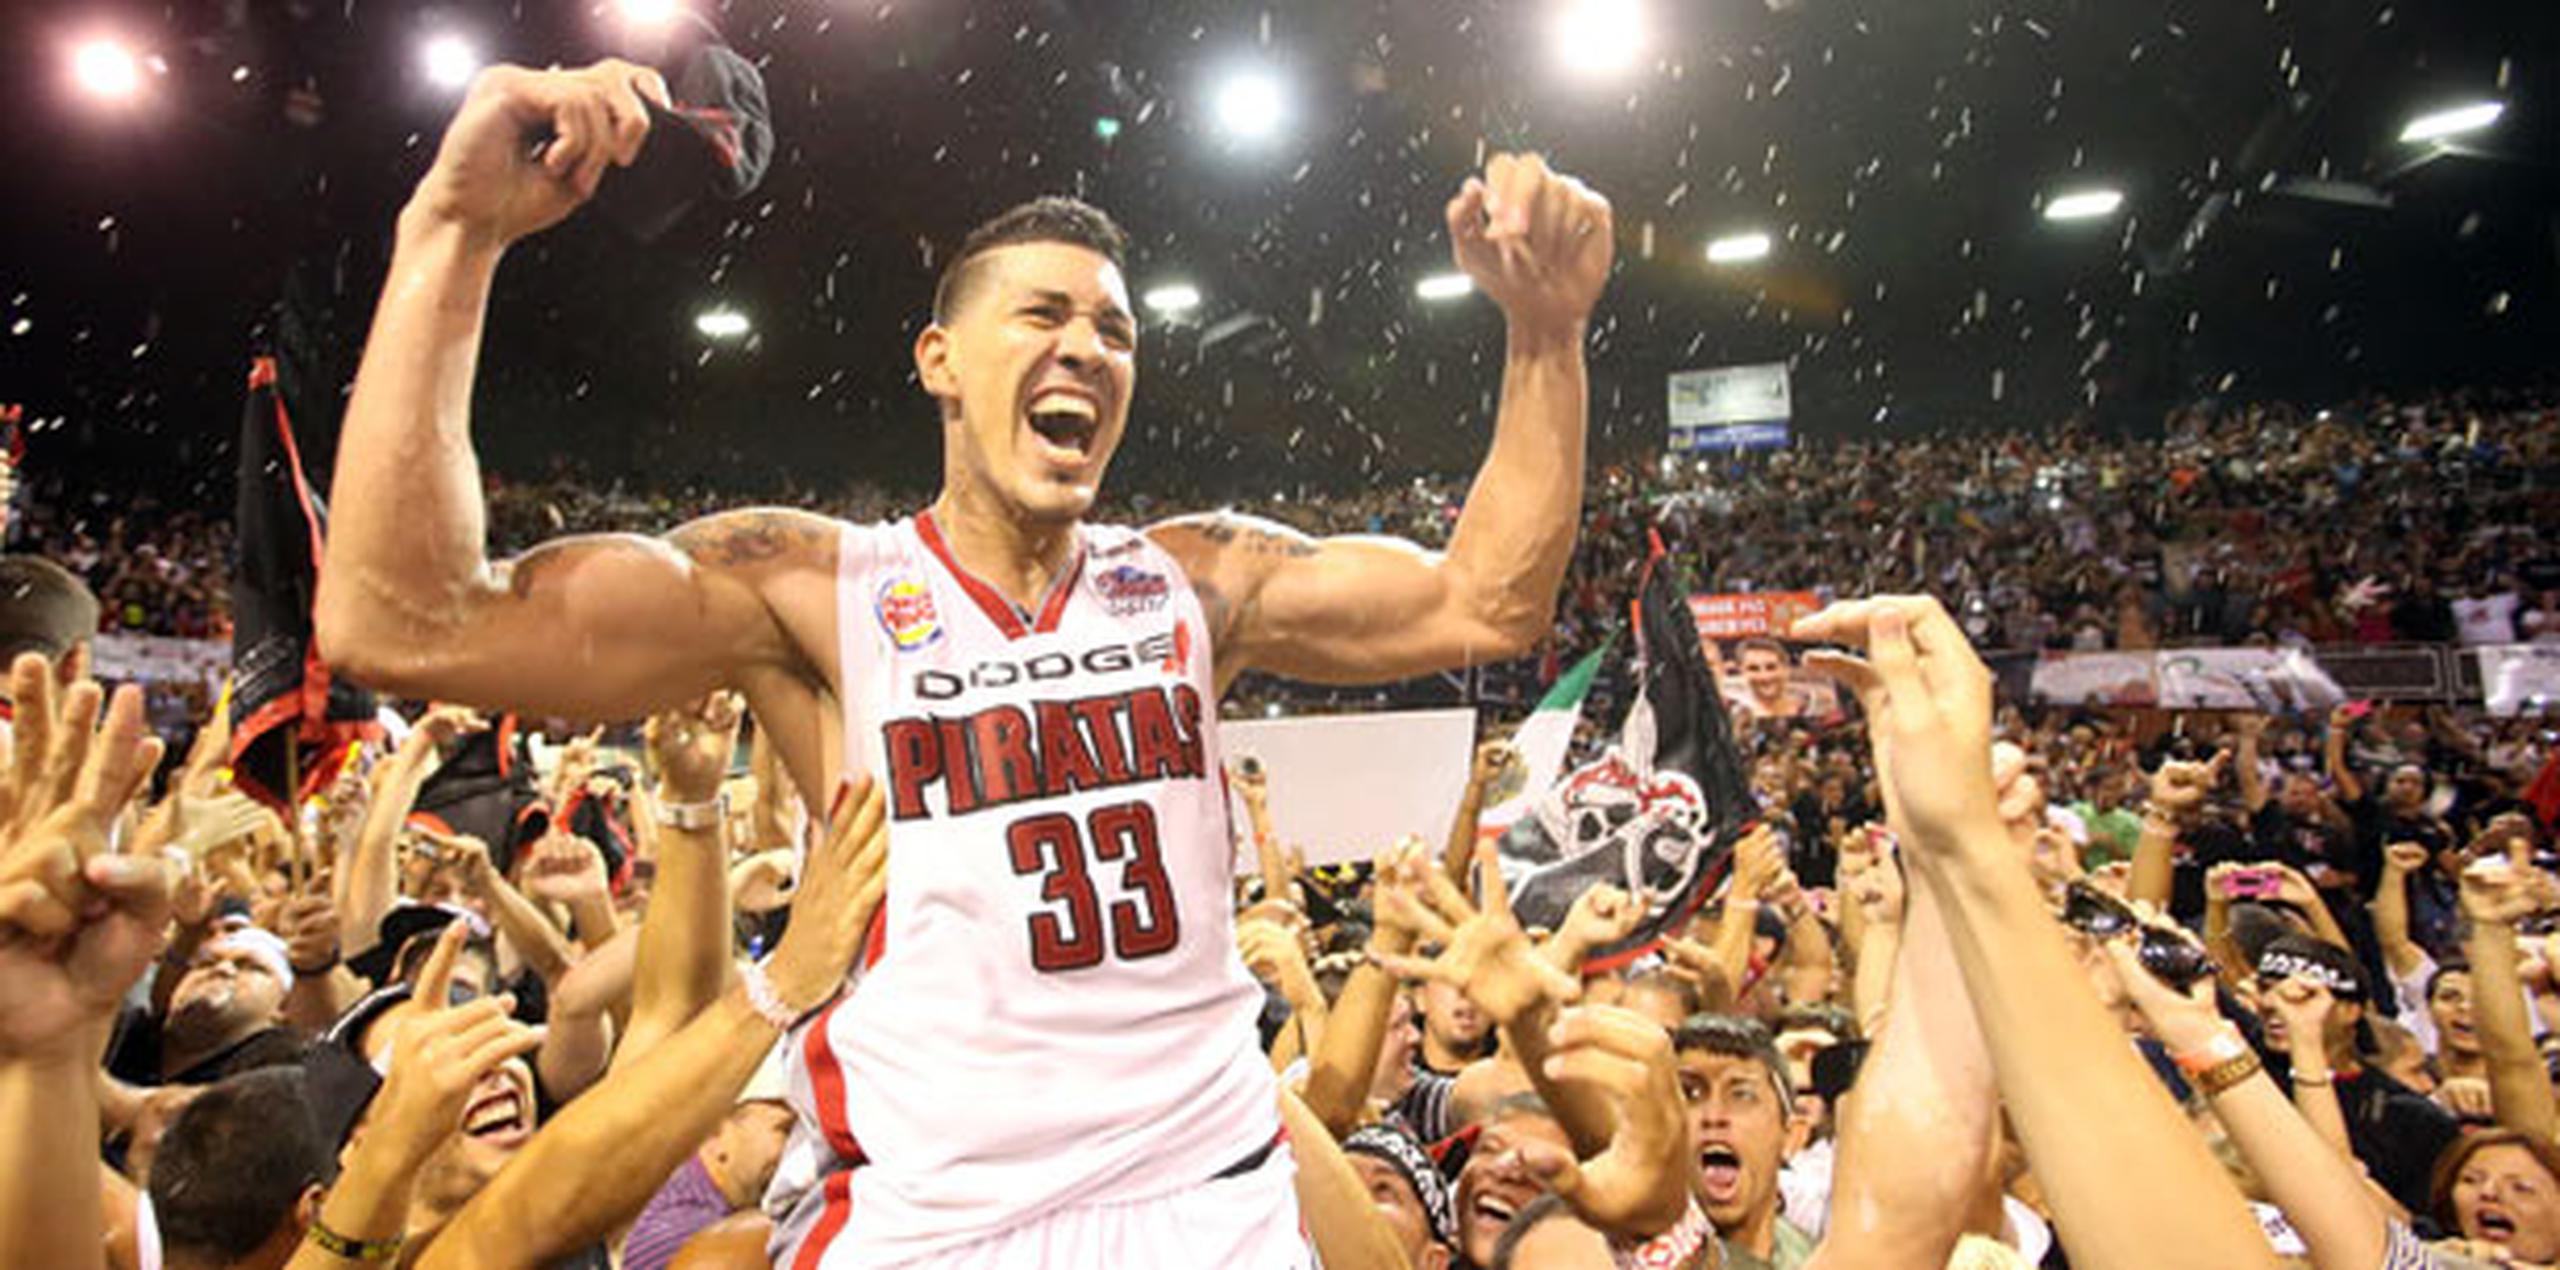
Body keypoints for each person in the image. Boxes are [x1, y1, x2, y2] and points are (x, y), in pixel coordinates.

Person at [316, 56, 1614, 1270]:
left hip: (1204, 1209)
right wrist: (455, 232)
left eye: (1114, 331)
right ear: (938, 360)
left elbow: (1488, 599)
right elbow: (403, 624)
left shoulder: (1193, 580)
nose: (1087, 349)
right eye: (1042, 314)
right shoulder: (811, 587)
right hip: (932, 1220)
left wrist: (1546, 335)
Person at [1671, 1015, 1813, 1270]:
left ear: (1791, 1137)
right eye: (1690, 1093)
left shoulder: (1817, 1260)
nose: (1713, 1116)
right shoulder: (1620, 1258)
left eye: (1742, 1095)